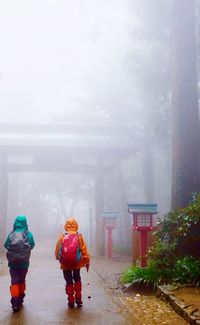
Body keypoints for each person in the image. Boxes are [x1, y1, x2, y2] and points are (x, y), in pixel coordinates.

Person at [55, 217, 90, 308]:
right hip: (76, 263)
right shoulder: (79, 236)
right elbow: (84, 250)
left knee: (68, 281)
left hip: (65, 264)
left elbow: (57, 249)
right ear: (76, 225)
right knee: (77, 278)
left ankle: (71, 300)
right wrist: (86, 261)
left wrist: (59, 259)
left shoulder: (62, 236)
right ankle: (78, 299)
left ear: (66, 226)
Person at [4, 215, 35, 312]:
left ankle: (15, 303)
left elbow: (6, 245)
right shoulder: (28, 234)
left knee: (14, 281)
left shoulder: (11, 234)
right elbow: (32, 245)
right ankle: (21, 297)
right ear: (25, 223)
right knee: (21, 280)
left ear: (15, 223)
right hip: (24, 263)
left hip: (13, 263)